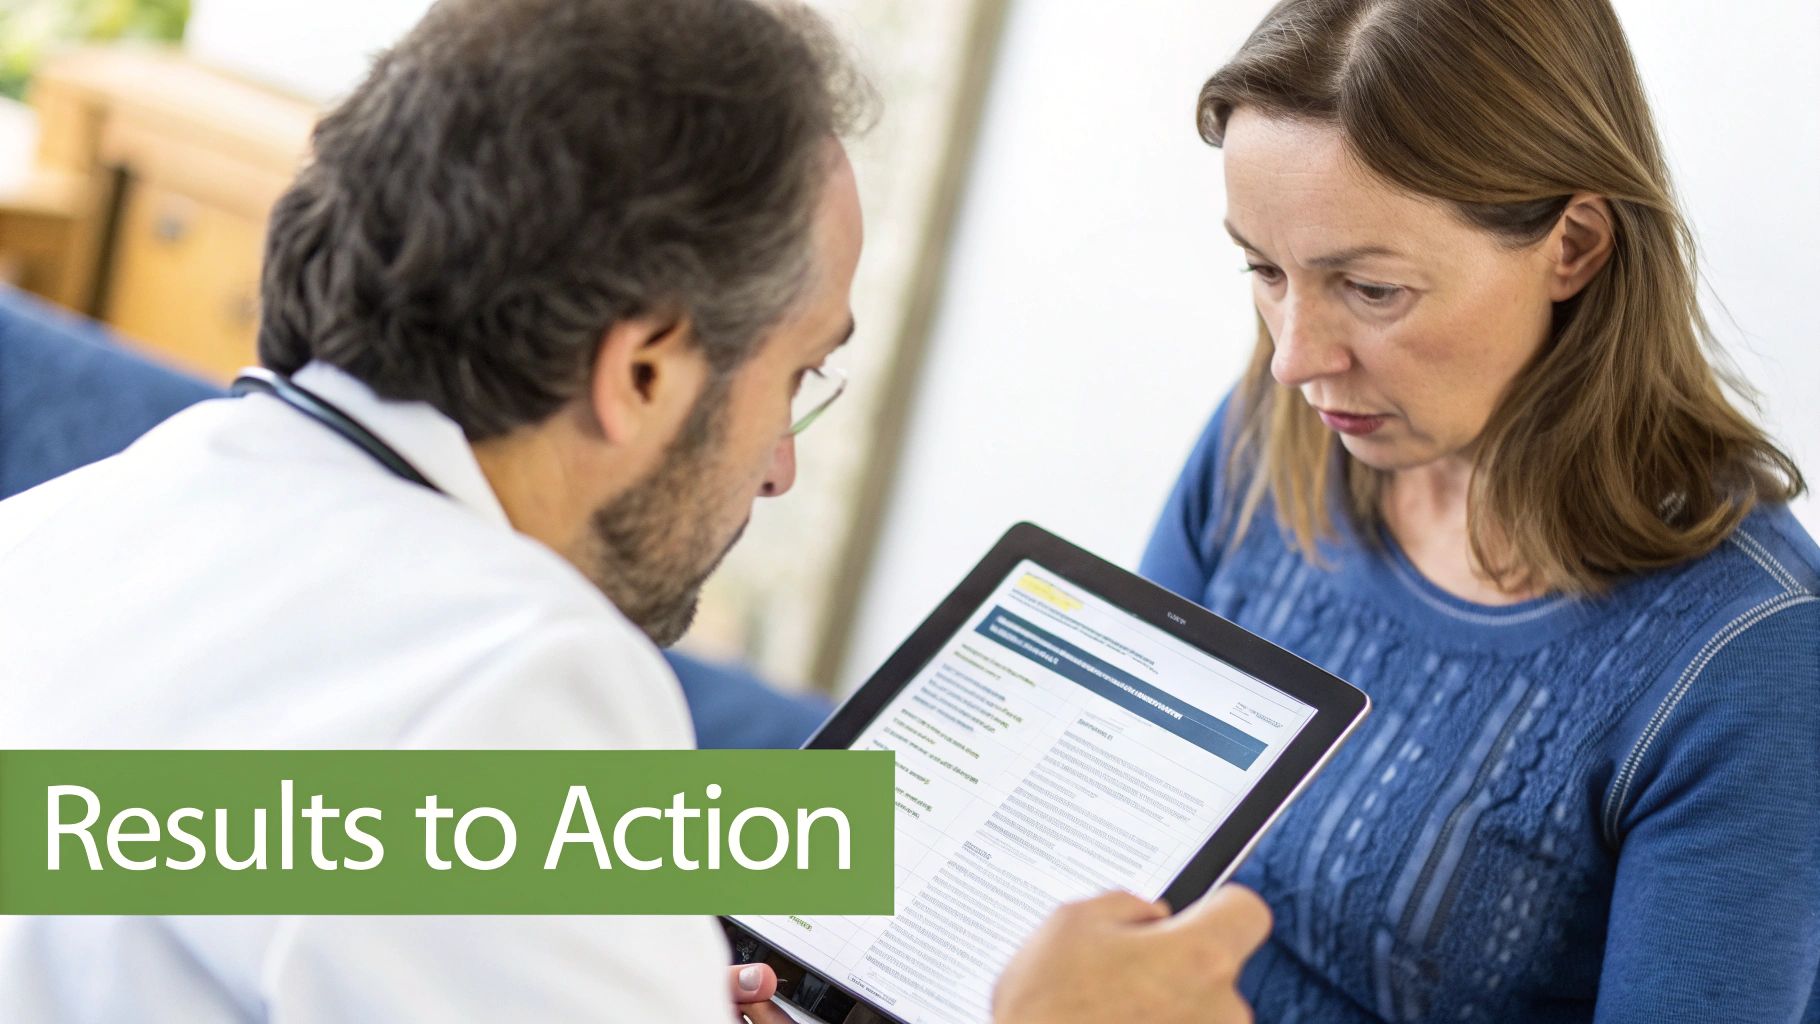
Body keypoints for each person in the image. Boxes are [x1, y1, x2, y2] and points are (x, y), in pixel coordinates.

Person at [0, 1, 1272, 1021]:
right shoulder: (508, 682)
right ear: (645, 370)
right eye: (792, 377)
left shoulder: (84, 520)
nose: (777, 465)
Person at [1138, 0, 1820, 1021]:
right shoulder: (1261, 442)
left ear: (1573, 246)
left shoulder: (1747, 661)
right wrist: (814, 914)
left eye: (1368, 288)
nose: (1292, 357)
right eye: (1263, 269)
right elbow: (1093, 805)